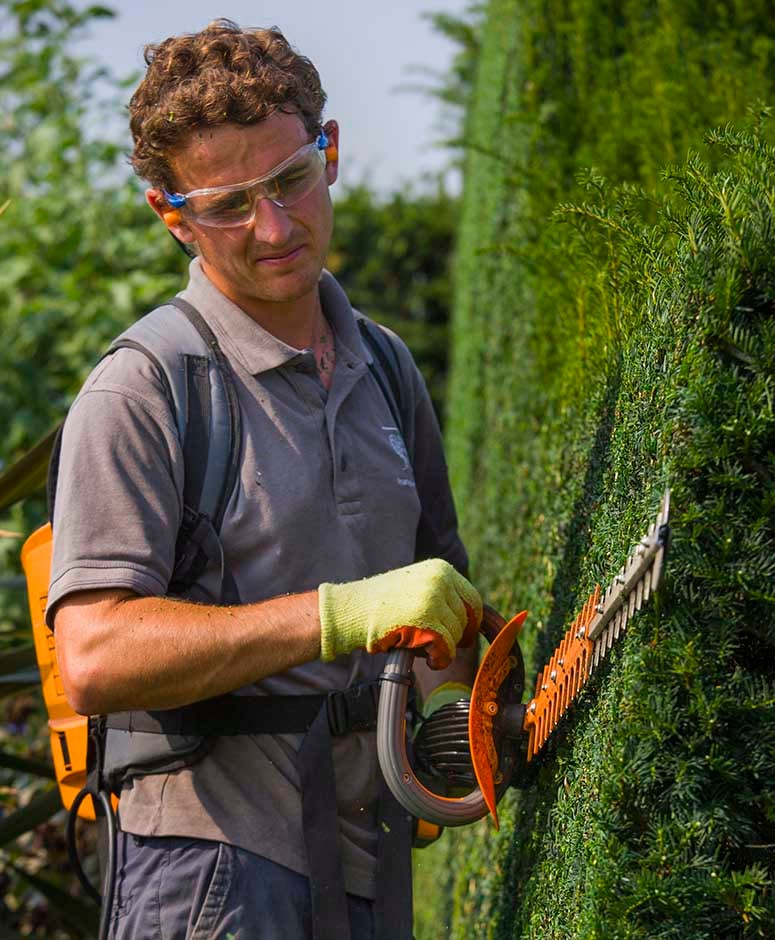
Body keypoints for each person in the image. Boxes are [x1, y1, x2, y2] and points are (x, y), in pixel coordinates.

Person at [47, 19, 480, 940]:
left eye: (289, 181)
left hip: (371, 869)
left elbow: (450, 613)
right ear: (173, 214)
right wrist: (331, 616)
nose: (274, 228)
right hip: (211, 878)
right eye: (228, 204)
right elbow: (93, 656)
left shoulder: (386, 367)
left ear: (330, 153)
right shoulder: (146, 387)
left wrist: (462, 728)